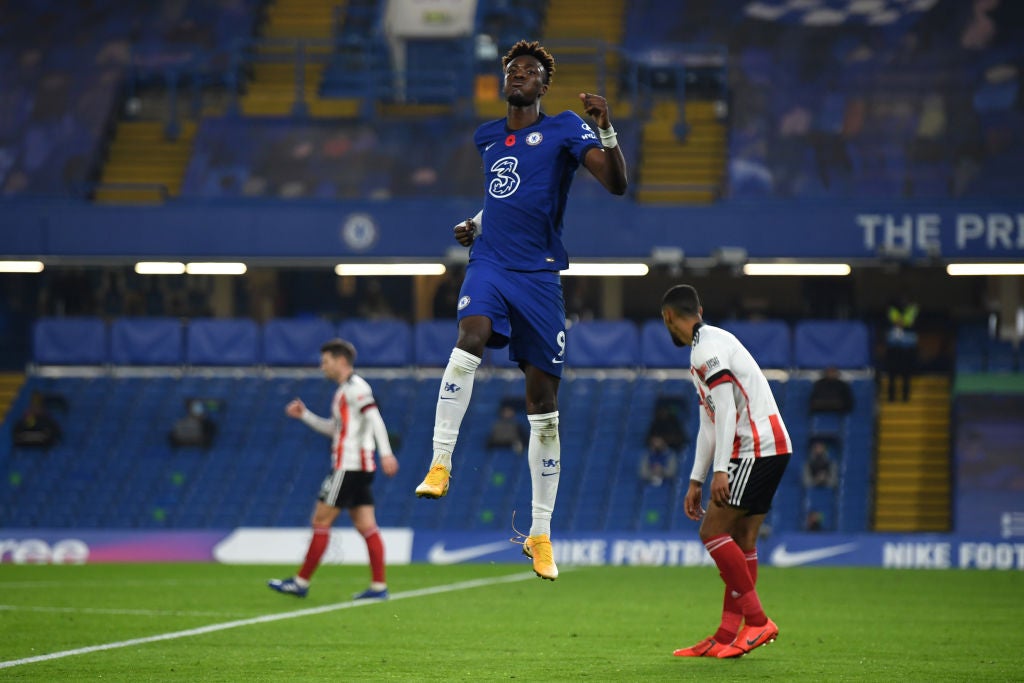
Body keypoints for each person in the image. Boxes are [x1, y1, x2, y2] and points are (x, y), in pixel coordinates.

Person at [413, 39, 628, 581]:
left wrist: (604, 128)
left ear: (543, 86)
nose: (519, 75)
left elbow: (617, 183)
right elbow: (505, 195)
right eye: (513, 69)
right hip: (490, 264)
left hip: (539, 277)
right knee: (471, 336)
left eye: (529, 71)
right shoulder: (488, 135)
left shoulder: (565, 129)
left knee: (544, 405)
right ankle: (440, 462)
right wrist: (476, 225)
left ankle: (540, 533)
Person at [661, 284, 792, 659]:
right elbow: (709, 421)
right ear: (698, 310)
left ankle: (757, 620)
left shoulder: (706, 350)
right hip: (770, 445)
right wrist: (695, 479)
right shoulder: (709, 345)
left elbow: (729, 412)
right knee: (743, 539)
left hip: (756, 446)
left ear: (668, 316)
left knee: (713, 531)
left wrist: (721, 471)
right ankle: (725, 635)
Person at [268, 338, 399, 600]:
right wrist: (305, 415)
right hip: (360, 468)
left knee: (320, 520)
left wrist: (386, 454)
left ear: (341, 361)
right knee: (366, 525)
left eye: (325, 361)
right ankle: (378, 587)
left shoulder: (355, 388)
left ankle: (300, 582)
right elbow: (334, 430)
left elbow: (375, 418)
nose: (322, 367)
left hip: (348, 467)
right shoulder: (343, 392)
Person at [885, 296, 919, 402]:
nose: (899, 322)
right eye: (897, 321)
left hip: (905, 358)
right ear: (895, 321)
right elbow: (890, 342)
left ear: (904, 321)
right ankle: (891, 398)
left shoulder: (911, 332)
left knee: (906, 379)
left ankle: (905, 398)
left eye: (901, 321)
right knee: (892, 379)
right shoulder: (891, 332)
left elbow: (912, 343)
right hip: (894, 358)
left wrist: (900, 341)